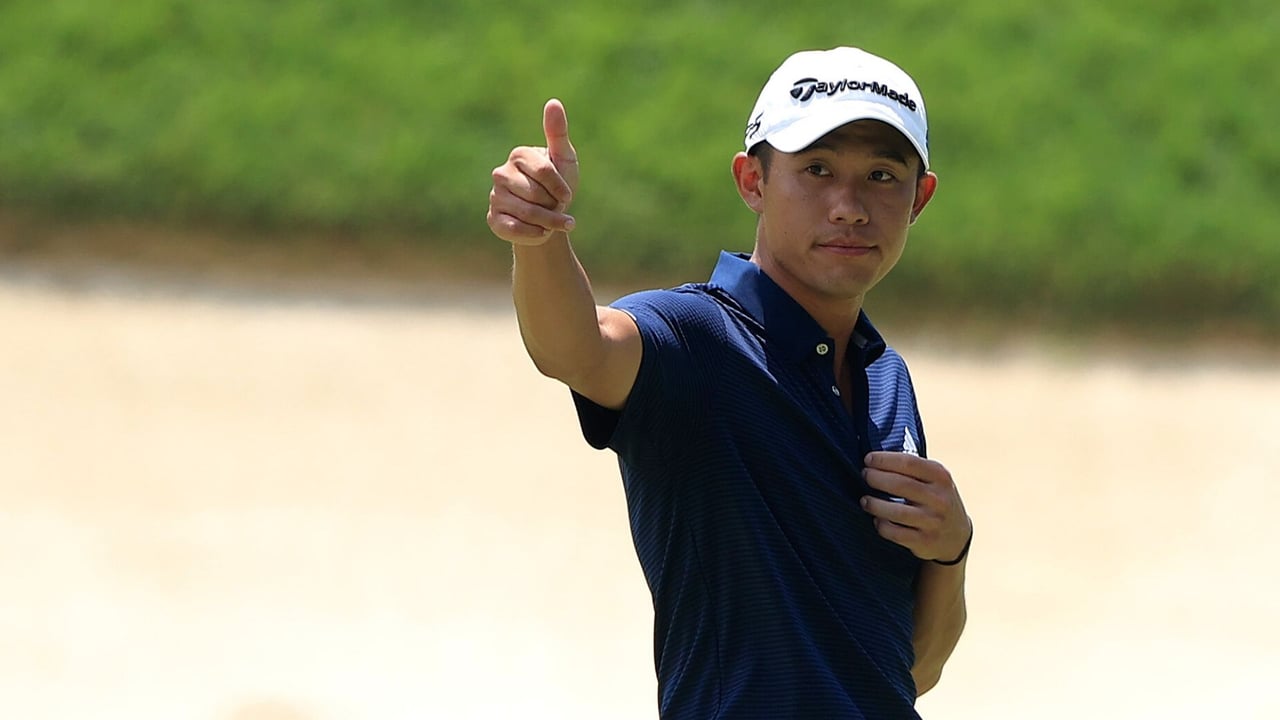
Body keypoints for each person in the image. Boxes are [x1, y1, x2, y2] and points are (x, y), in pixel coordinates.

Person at [486, 46, 971, 719]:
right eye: (817, 169)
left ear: (920, 197)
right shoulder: (694, 338)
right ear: (753, 181)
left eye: (882, 176)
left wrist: (951, 552)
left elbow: (912, 670)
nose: (850, 206)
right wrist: (539, 241)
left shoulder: (884, 375)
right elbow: (578, 349)